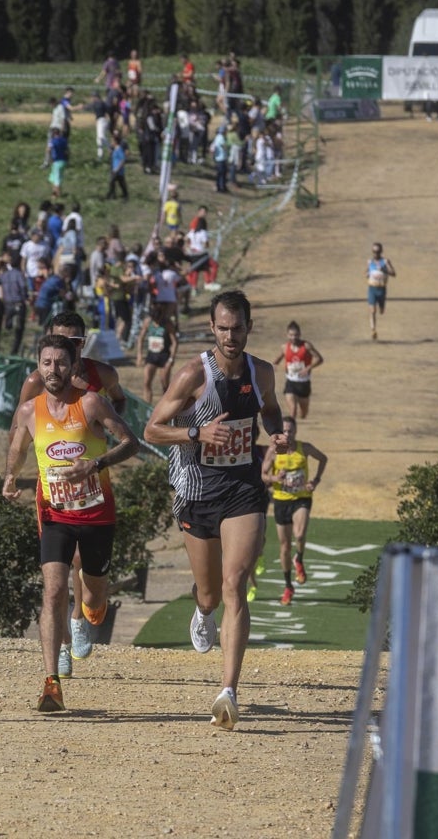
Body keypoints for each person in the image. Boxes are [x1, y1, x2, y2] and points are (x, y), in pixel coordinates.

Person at [143, 290, 287, 731]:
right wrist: (197, 433)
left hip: (243, 487)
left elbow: (272, 410)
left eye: (238, 328)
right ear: (211, 327)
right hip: (197, 490)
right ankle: (202, 613)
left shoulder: (261, 371)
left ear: (249, 327)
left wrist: (277, 434)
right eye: (222, 328)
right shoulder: (193, 375)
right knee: (209, 594)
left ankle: (228, 690)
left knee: (235, 583)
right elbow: (152, 428)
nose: (230, 336)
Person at [3, 334, 139, 712]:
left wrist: (95, 465)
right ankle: (51, 682)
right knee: (52, 590)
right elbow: (16, 446)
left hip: (97, 513)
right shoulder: (30, 410)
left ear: (73, 364)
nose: (52, 370)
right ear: (38, 365)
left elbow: (132, 442)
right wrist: (10, 477)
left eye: (60, 363)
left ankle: (94, 608)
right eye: (46, 362)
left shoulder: (91, 403)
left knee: (93, 594)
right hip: (55, 514)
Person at [261, 417, 327, 606]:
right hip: (281, 501)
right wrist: (276, 477)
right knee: (284, 547)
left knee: (299, 534)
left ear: (296, 432)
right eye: (285, 431)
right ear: (280, 433)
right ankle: (288, 586)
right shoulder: (274, 452)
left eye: (291, 431)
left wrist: (315, 480)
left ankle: (300, 558)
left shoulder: (304, 448)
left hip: (302, 498)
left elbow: (323, 458)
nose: (288, 434)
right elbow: (263, 475)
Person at [274, 321, 323, 419]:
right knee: (293, 410)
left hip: (304, 384)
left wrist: (308, 368)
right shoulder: (284, 347)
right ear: (287, 335)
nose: (293, 337)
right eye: (291, 335)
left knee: (303, 413)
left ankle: (301, 420)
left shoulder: (306, 346)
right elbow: (278, 359)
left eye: (296, 335)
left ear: (300, 334)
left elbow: (319, 359)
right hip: (290, 383)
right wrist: (274, 364)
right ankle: (291, 429)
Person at [136, 307, 179, 403]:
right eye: (154, 320)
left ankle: (165, 408)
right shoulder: (148, 322)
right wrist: (139, 355)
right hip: (151, 355)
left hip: (164, 356)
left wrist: (171, 359)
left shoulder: (167, 324)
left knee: (164, 385)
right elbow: (140, 338)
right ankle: (147, 406)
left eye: (158, 319)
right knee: (146, 382)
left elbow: (175, 342)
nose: (156, 322)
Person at [366, 242, 396, 341]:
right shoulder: (370, 262)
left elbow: (394, 273)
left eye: (378, 252)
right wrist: (367, 274)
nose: (376, 254)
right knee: (372, 310)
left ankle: (382, 306)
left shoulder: (386, 262)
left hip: (382, 289)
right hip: (372, 288)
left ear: (381, 252)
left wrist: (384, 270)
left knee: (381, 310)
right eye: (374, 252)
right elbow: (367, 271)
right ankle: (373, 330)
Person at [45, 127, 69, 199]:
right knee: (54, 177)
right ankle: (54, 192)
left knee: (57, 179)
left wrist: (48, 159)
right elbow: (67, 151)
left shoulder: (52, 141)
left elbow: (48, 150)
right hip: (63, 161)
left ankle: (57, 194)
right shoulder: (64, 140)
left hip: (56, 161)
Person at [106, 133, 128, 200]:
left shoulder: (119, 149)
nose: (111, 142)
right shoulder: (114, 149)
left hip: (118, 170)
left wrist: (118, 168)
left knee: (114, 182)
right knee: (116, 183)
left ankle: (114, 195)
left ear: (115, 142)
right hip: (114, 169)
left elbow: (123, 159)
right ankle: (113, 195)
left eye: (112, 141)